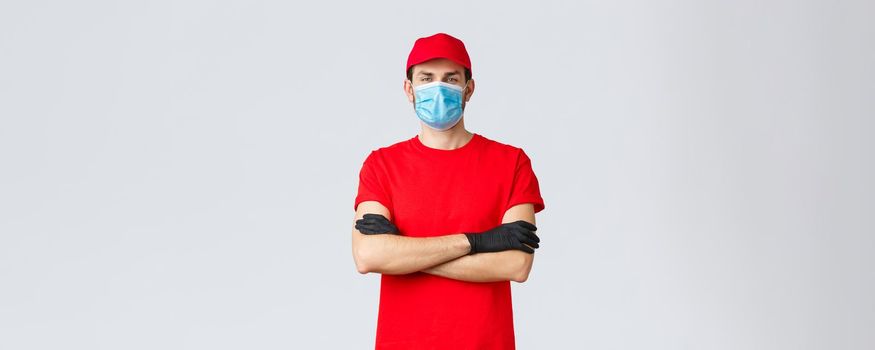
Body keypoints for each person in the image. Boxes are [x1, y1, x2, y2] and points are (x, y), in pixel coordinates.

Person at [351, 32, 546, 350]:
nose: (438, 88)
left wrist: (403, 254)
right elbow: (368, 255)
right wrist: (477, 242)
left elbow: (516, 264)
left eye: (450, 79)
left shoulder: (511, 163)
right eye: (426, 78)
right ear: (408, 89)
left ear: (468, 89)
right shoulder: (381, 165)